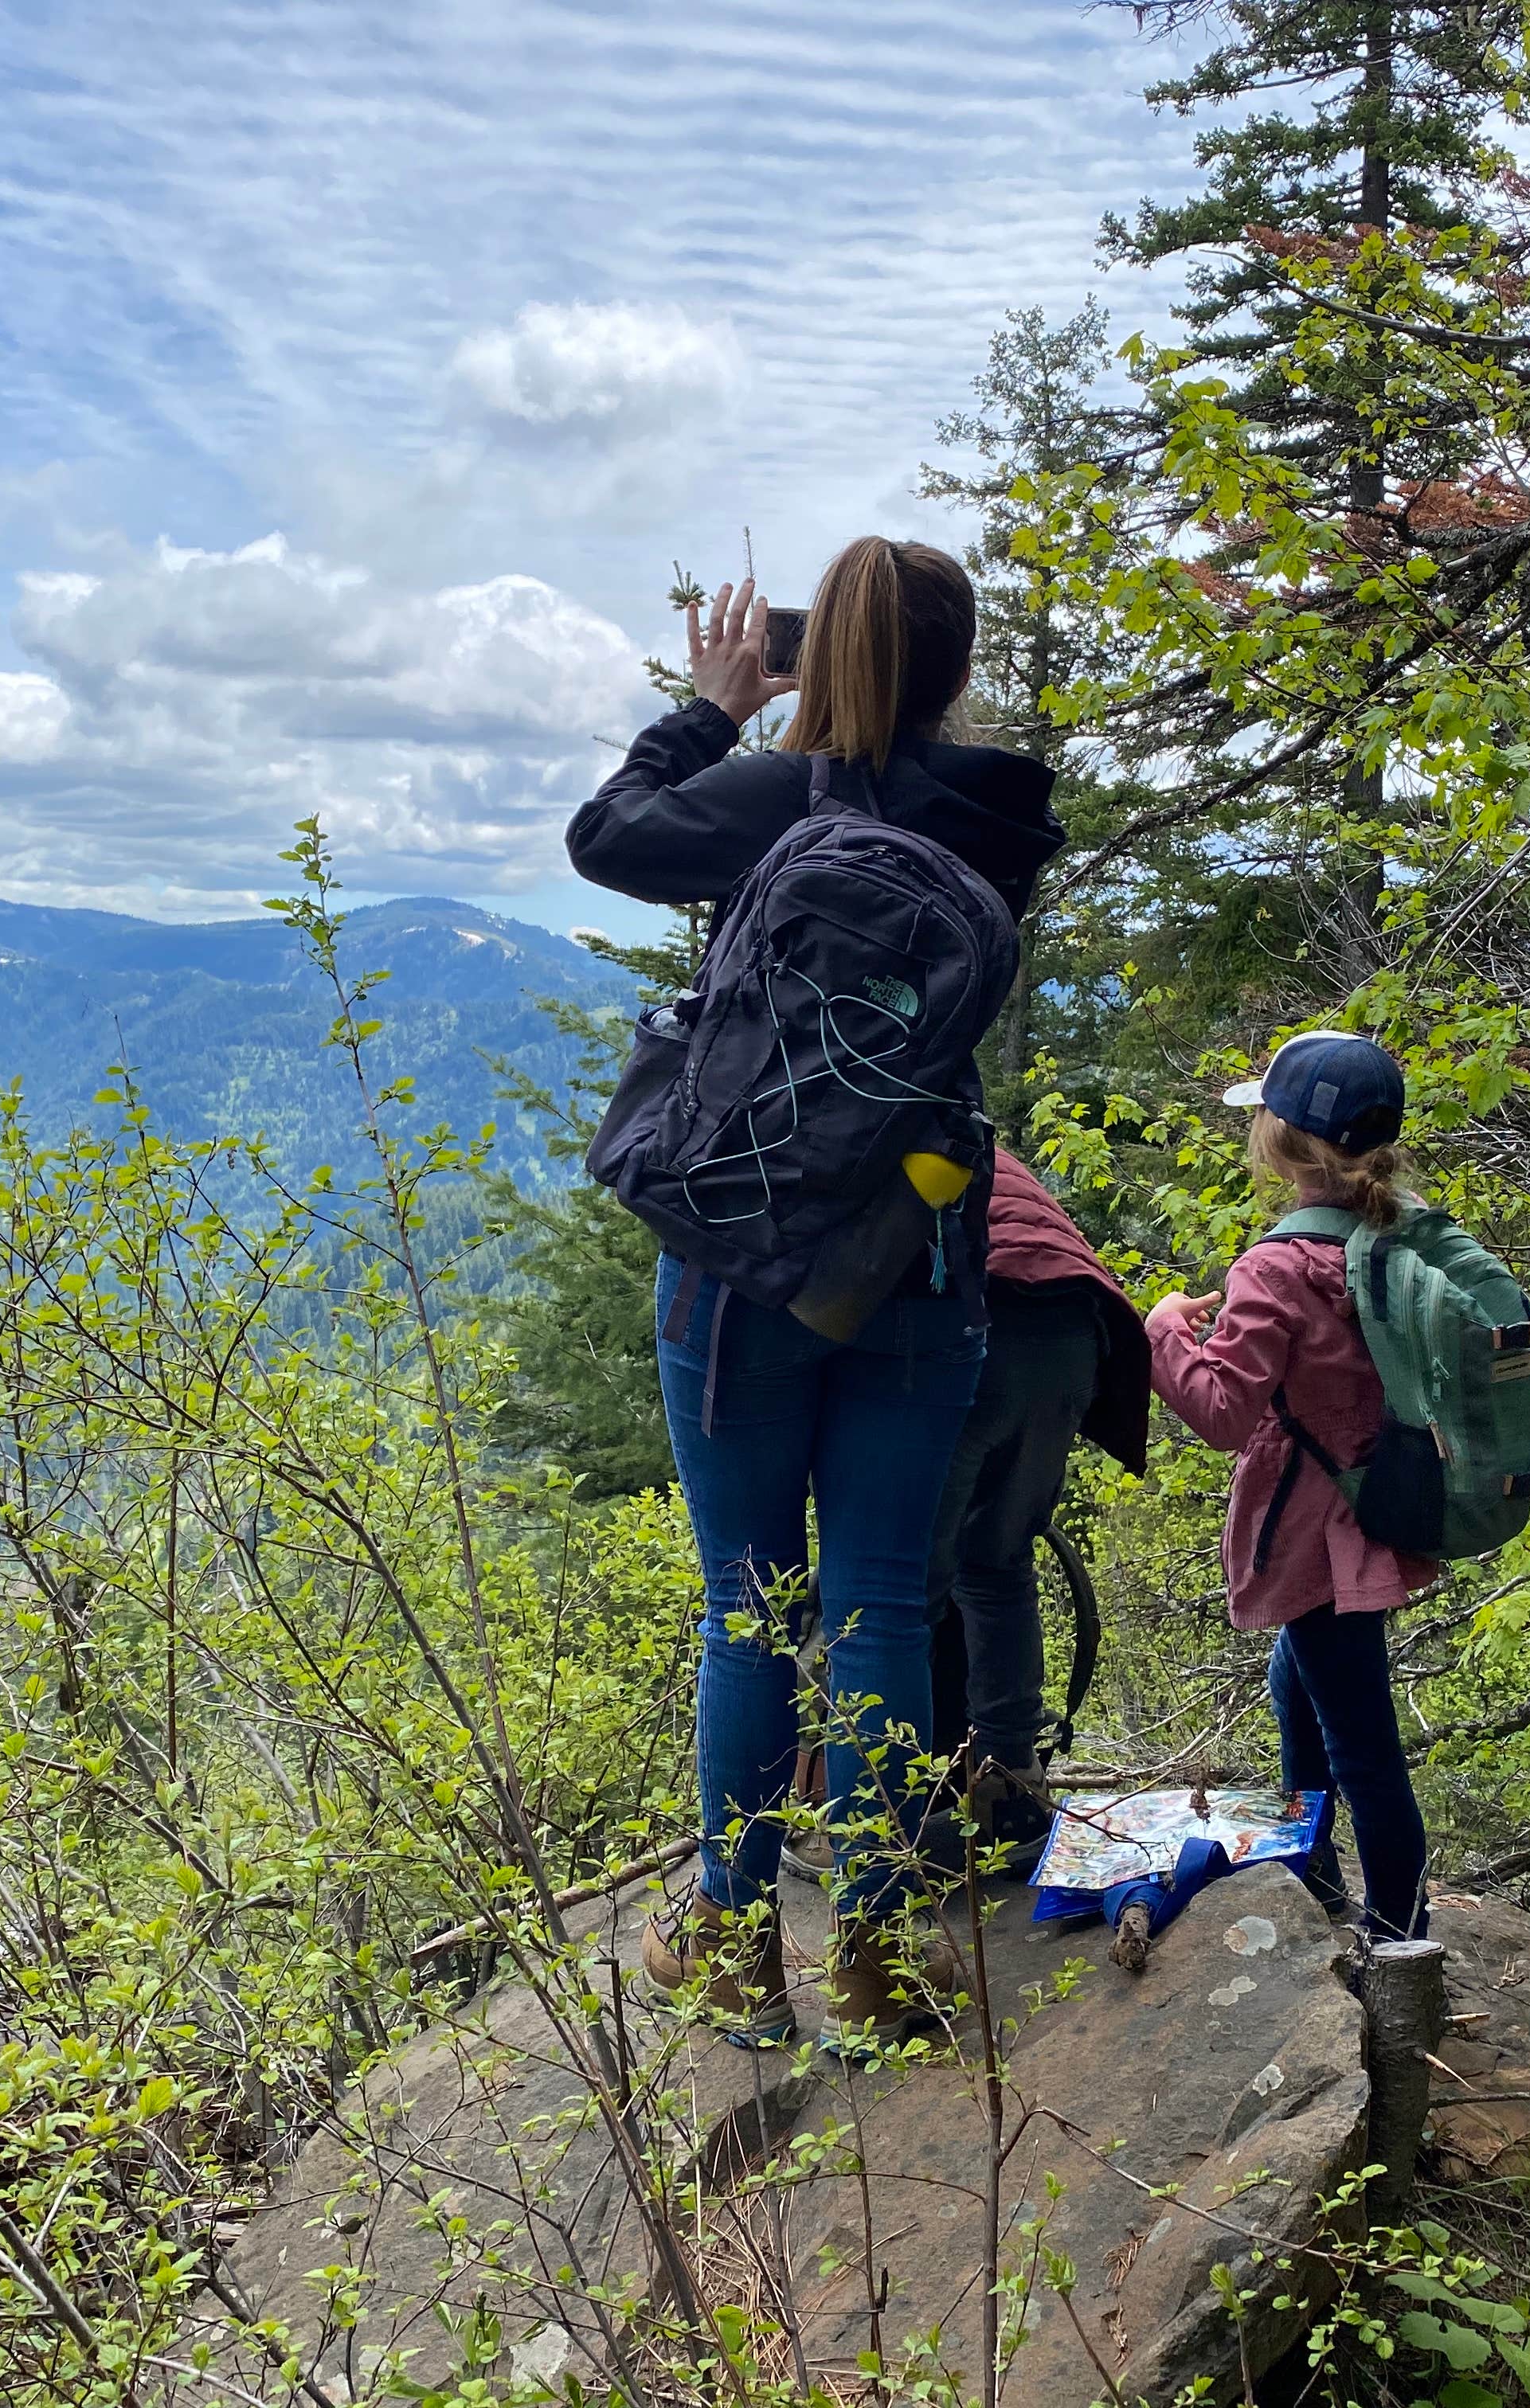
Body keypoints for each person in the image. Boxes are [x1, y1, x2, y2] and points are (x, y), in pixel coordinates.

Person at [566, 542, 1064, 2047]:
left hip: (740, 1249)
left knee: (749, 1603)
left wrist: (716, 710)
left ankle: (731, 1941)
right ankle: (873, 1957)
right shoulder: (1001, 816)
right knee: (881, 1600)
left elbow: (606, 836)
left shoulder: (778, 798)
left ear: (815, 652)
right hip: (917, 1240)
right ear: (957, 669)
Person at [1141, 1031, 1438, 1944]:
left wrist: (1164, 1332)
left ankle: (1401, 1939)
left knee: (1364, 1750)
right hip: (1380, 1506)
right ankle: (1313, 1875)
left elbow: (1224, 1414)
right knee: (1299, 1690)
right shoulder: (1405, 1232)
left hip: (1315, 1533)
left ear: (1282, 1143)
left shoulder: (1277, 1266)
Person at [928, 1146, 1148, 1848]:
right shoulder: (968, 1135)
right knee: (998, 1567)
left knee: (899, 1597)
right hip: (1072, 1335)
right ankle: (1011, 1789)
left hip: (975, 1326)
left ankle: (894, 1811)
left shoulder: (863, 1124)